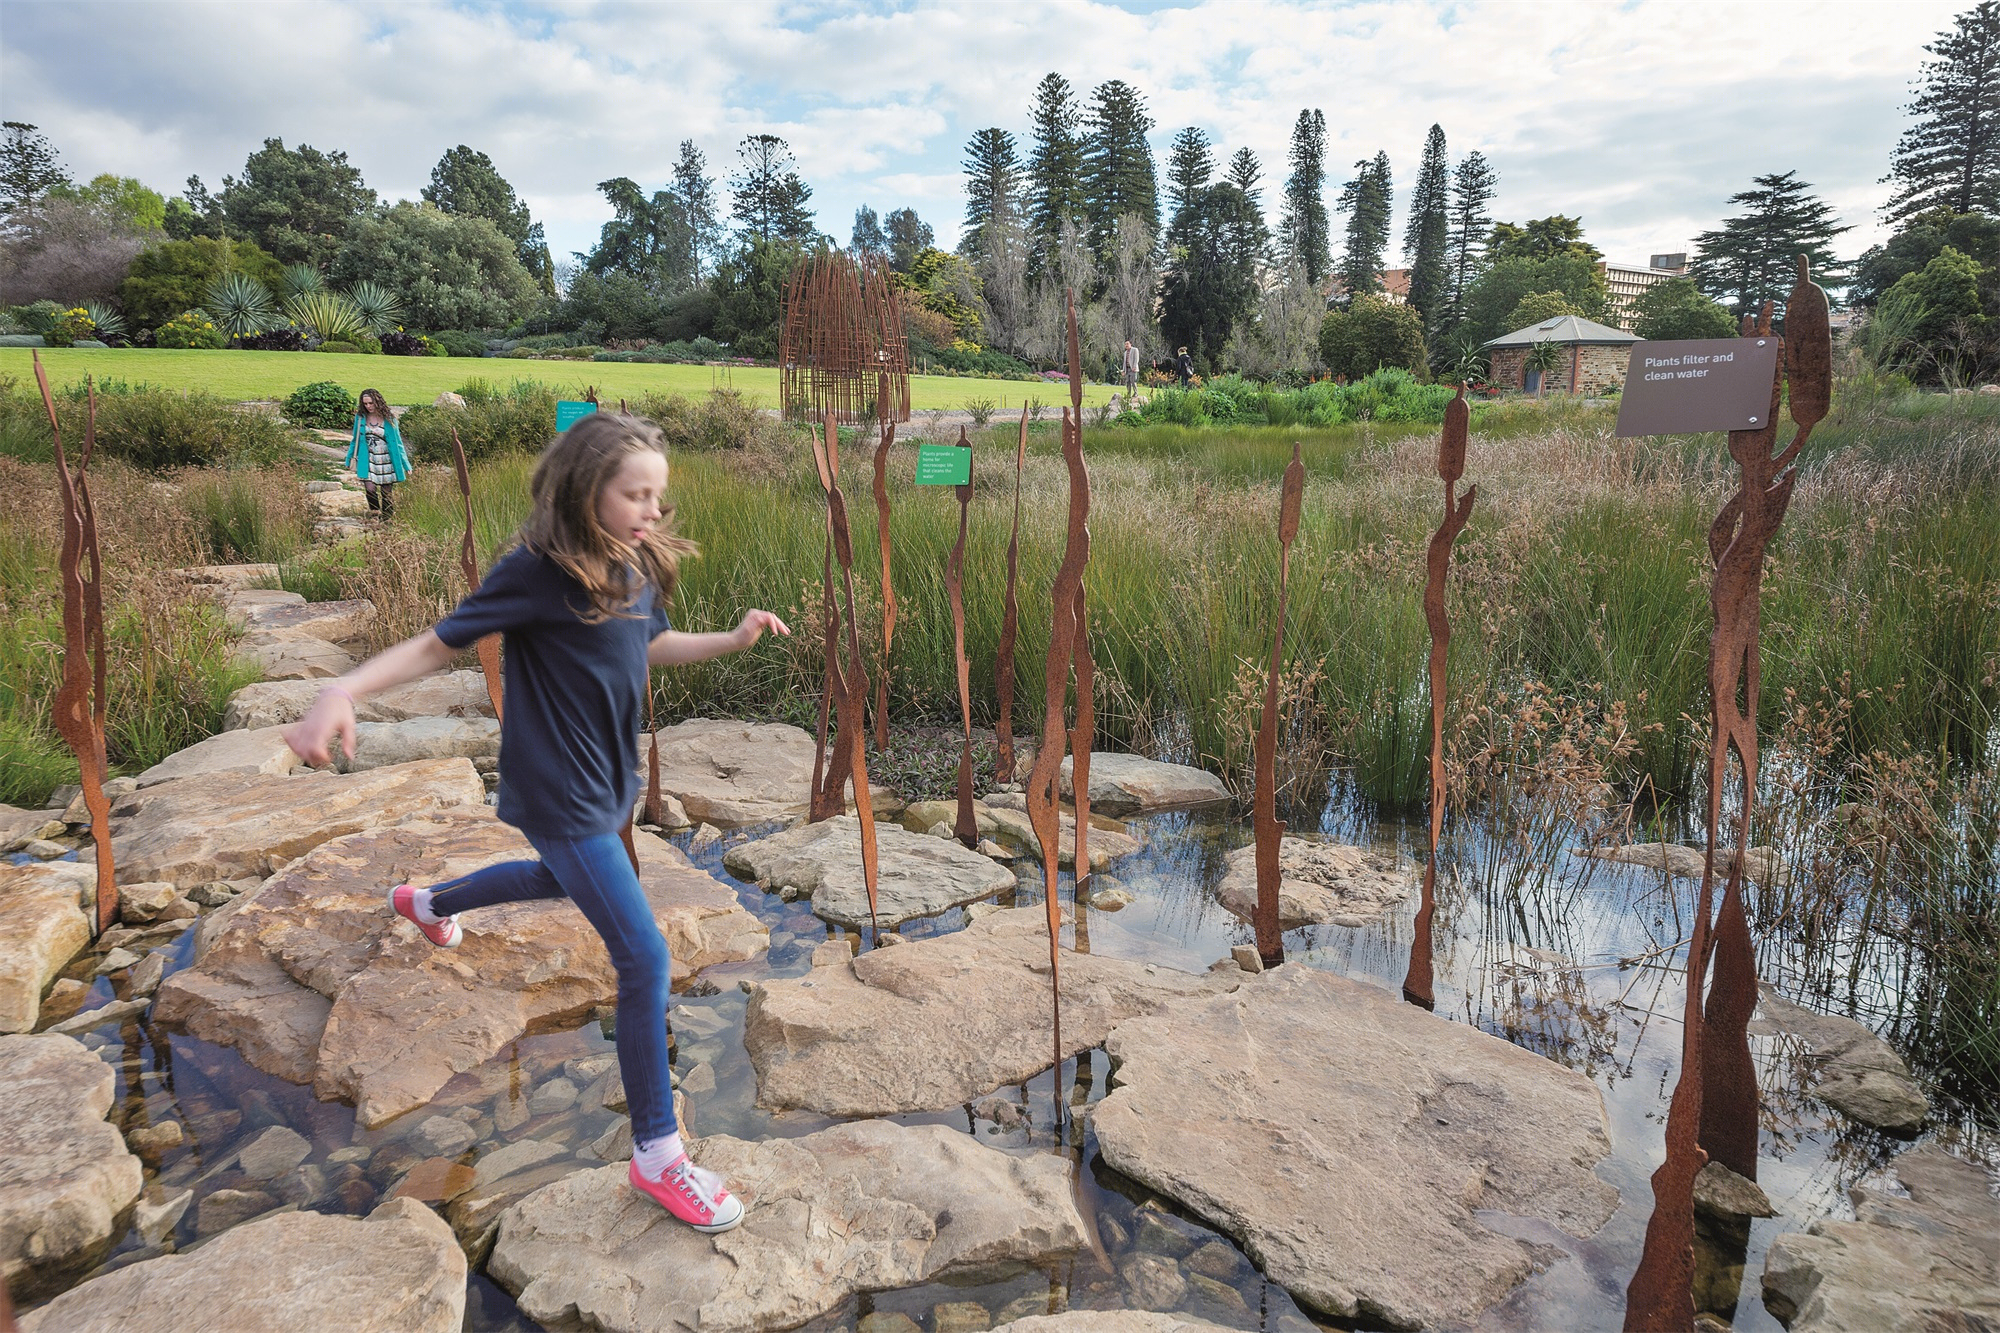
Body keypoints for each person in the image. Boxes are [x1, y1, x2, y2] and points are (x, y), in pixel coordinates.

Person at [283, 411, 788, 1234]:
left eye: (659, 496)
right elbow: (436, 645)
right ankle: (658, 1157)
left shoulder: (635, 567)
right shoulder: (536, 572)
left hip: (605, 784)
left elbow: (647, 647)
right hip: (560, 791)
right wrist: (341, 691)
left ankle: (429, 904)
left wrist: (732, 640)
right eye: (636, 493)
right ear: (587, 487)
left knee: (557, 880)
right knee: (644, 956)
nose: (652, 510)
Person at [346, 388, 409, 520]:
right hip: (368, 458)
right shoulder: (360, 418)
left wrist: (406, 465)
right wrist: (348, 460)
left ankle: (387, 519)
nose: (368, 406)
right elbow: (354, 440)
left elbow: (398, 443)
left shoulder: (389, 419)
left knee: (386, 492)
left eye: (371, 403)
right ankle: (375, 514)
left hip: (387, 459)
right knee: (370, 488)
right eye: (365, 404)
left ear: (377, 401)